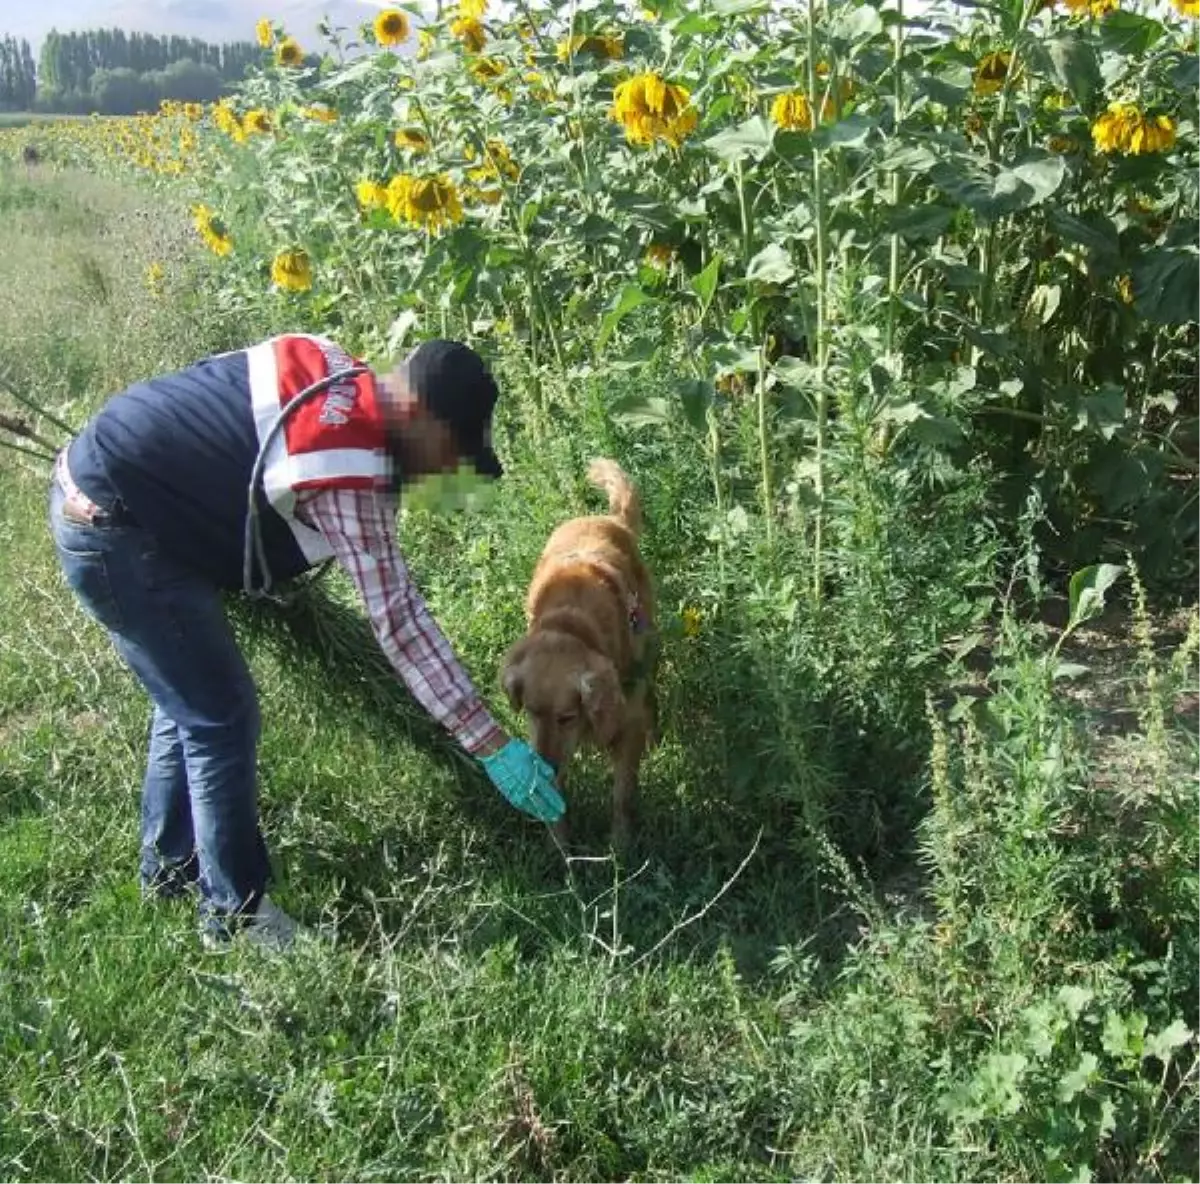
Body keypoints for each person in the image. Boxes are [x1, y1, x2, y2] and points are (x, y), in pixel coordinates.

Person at [47, 333, 565, 949]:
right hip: (119, 536)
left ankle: (169, 872)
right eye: (451, 451)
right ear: (421, 417)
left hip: (105, 495)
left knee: (188, 700)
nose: (445, 470)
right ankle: (236, 916)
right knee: (221, 717)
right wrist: (491, 745)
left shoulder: (336, 366)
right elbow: (400, 624)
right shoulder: (350, 474)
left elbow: (220, 395)